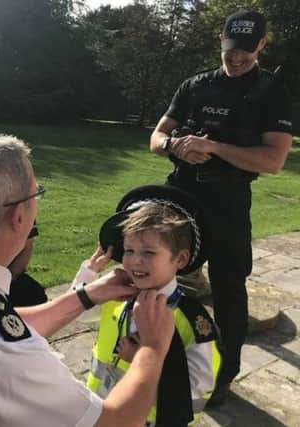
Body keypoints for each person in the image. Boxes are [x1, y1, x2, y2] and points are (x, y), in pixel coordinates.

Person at [0, 135, 177, 427]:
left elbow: (4, 325)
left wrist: (86, 296)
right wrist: (152, 348)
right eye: (36, 193)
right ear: (18, 216)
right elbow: (115, 422)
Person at [149, 9, 293, 405]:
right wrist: (174, 146)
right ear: (221, 40)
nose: (237, 57)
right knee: (162, 279)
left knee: (229, 289)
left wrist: (213, 147)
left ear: (262, 44)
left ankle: (222, 374)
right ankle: (158, 357)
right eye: (232, 49)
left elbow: (272, 161)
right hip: (179, 195)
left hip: (228, 202)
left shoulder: (271, 92)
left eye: (247, 50)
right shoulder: (195, 85)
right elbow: (156, 136)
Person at [77, 185, 221, 426]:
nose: (136, 260)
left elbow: (196, 389)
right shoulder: (118, 294)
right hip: (101, 410)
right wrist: (89, 275)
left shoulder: (192, 322)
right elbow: (82, 314)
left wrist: (141, 362)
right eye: (129, 250)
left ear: (180, 259)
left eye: (149, 252)